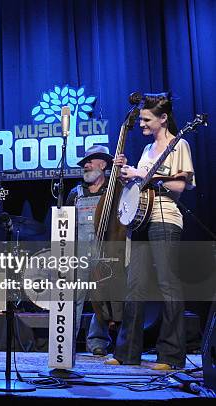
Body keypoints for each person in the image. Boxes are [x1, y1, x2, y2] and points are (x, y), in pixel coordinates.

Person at [106, 92, 195, 370]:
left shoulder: (179, 145)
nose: (142, 124)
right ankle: (127, 352)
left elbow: (180, 187)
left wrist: (143, 176)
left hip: (165, 217)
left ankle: (170, 355)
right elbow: (138, 185)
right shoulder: (146, 151)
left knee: (168, 283)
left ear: (163, 118)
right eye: (141, 119)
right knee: (135, 286)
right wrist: (126, 175)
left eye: (146, 119)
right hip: (140, 219)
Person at [66, 145, 124, 356]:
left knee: (102, 301)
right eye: (84, 163)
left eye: (90, 161)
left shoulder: (115, 189)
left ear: (103, 164)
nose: (86, 166)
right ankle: (66, 343)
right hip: (79, 253)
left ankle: (97, 342)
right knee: (74, 299)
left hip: (105, 252)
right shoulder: (75, 193)